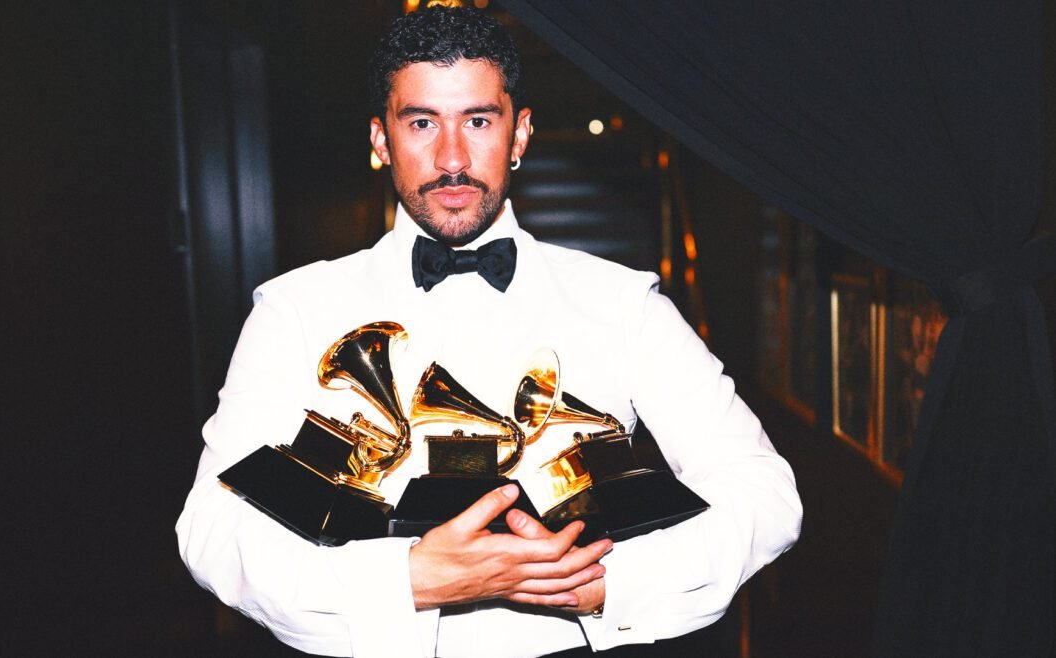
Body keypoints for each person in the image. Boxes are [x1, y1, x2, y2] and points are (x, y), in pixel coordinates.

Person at [176, 7, 801, 657]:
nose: (452, 159)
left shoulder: (623, 304)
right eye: (421, 123)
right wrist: (405, 581)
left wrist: (610, 584)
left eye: (478, 121)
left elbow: (765, 494)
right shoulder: (295, 310)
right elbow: (213, 529)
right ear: (381, 140)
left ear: (520, 134)